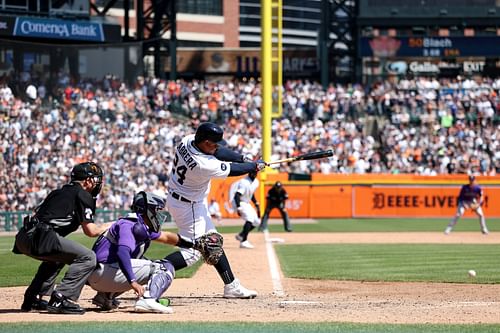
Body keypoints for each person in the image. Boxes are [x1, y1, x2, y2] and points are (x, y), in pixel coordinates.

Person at [163, 122, 266, 298]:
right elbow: (232, 170)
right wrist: (254, 166)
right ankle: (149, 271)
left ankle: (232, 286)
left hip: (183, 199)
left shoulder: (188, 140)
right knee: (192, 252)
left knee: (212, 240)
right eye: (213, 143)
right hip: (189, 206)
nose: (217, 146)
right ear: (204, 142)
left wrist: (243, 158)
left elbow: (218, 152)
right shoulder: (203, 164)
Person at [12, 162, 110, 314]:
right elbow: (91, 231)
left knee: (56, 258)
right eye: (96, 180)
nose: (98, 184)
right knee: (88, 257)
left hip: (23, 237)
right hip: (41, 237)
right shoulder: (83, 194)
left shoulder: (57, 192)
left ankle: (33, 298)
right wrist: (112, 224)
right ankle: (62, 298)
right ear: (88, 181)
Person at [88, 191, 189, 313]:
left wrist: (195, 244)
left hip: (100, 273)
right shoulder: (129, 224)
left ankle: (105, 296)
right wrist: (133, 282)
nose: (158, 214)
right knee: (164, 267)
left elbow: (167, 237)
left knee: (142, 261)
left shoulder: (137, 224)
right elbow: (122, 253)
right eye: (156, 210)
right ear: (146, 210)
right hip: (105, 272)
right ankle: (149, 299)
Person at [230, 170, 260, 249]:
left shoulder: (256, 182)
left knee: (257, 222)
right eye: (252, 172)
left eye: (255, 172)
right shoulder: (244, 182)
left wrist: (256, 203)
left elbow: (251, 194)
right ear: (249, 172)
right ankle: (244, 241)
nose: (254, 173)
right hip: (239, 202)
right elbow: (237, 195)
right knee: (249, 218)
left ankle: (241, 235)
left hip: (246, 202)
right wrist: (238, 207)